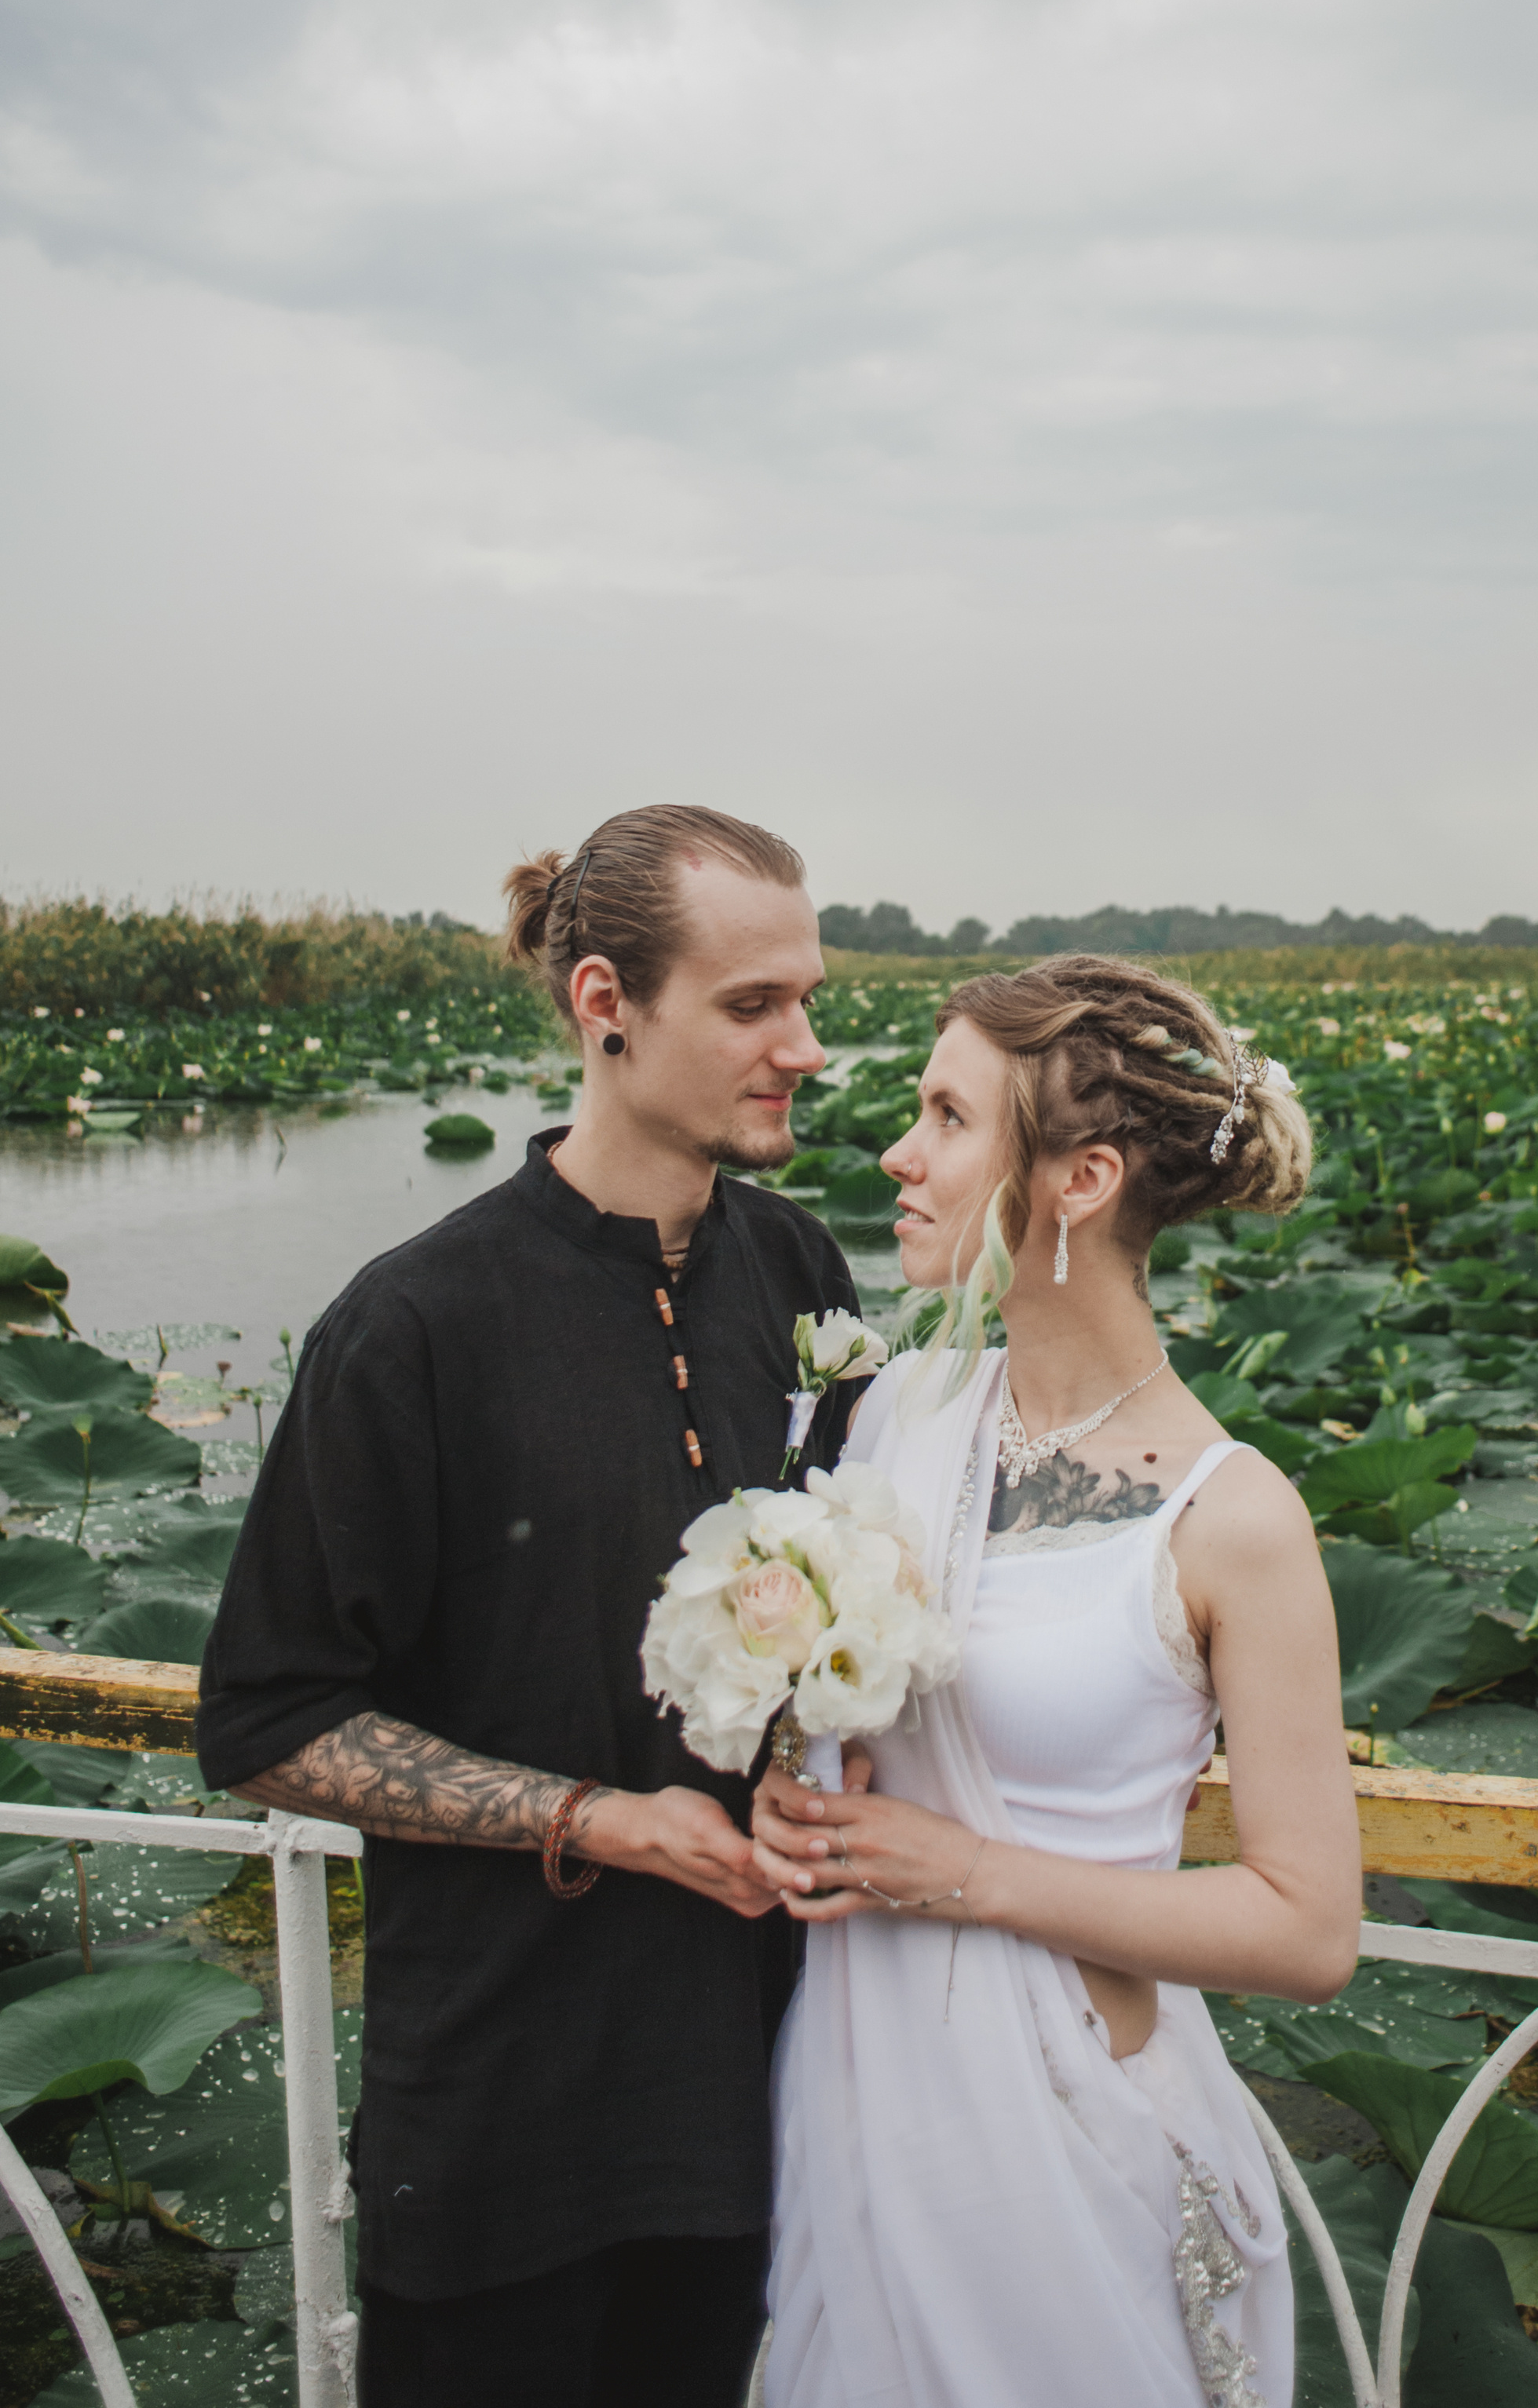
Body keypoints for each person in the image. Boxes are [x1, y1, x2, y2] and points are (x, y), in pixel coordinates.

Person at [196, 804, 867, 2408]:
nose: (807, 1048)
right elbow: (268, 1721)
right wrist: (599, 1818)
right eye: (753, 1006)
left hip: (749, 2093)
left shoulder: (802, 1277)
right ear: (604, 1001)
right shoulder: (417, 1323)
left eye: (811, 1000)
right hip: (505, 2124)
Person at [750, 958, 1363, 2408]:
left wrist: (962, 1867)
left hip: (1069, 2126)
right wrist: (787, 1784)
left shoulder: (1233, 1518)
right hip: (855, 2094)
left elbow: (1308, 1927)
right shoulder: (891, 1413)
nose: (899, 1154)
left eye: (948, 1119)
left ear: (1078, 1180)